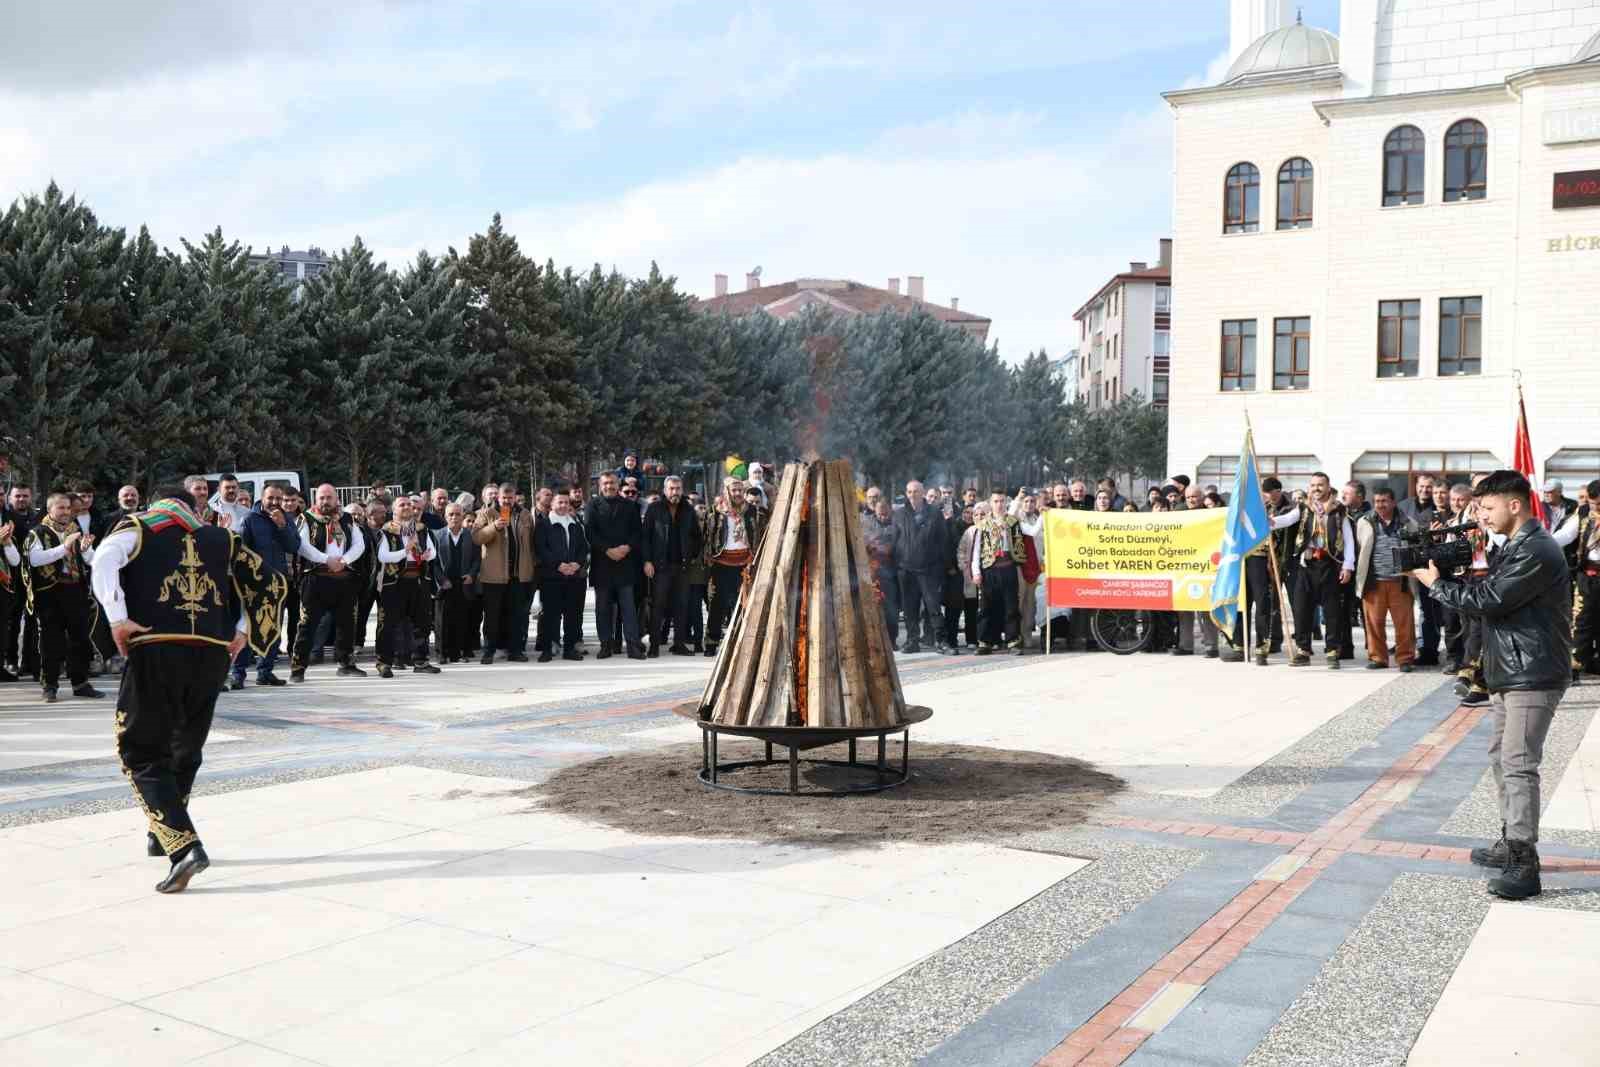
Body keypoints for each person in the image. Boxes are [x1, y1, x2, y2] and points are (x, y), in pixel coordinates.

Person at [93, 486, 286, 893]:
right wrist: (243, 631)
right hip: (212, 654)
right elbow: (269, 582)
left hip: (158, 646)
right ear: (191, 505)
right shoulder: (222, 536)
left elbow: (104, 558)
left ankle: (184, 848)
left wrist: (116, 618)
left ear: (157, 503)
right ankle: (160, 832)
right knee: (185, 744)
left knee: (140, 749)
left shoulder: (140, 526)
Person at [1413, 470, 1571, 900]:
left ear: (1514, 504)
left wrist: (1437, 584)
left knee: (1519, 763)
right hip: (1511, 669)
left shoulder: (1536, 549)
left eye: (1487, 508)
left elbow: (1489, 601)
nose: (1481, 516)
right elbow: (1492, 594)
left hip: (1532, 673)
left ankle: (1524, 862)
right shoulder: (1519, 546)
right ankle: (1511, 840)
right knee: (1502, 757)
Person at [22, 492, 103, 702]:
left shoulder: (75, 530)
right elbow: (35, 559)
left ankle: (80, 683)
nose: (66, 512)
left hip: (75, 590)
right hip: (50, 592)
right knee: (51, 641)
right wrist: (64, 547)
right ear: (50, 510)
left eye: (68, 508)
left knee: (81, 638)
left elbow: (91, 559)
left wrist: (85, 550)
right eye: (61, 508)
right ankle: (49, 686)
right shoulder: (38, 532)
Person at [1270, 471, 1355, 669]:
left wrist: (1348, 566)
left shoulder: (1338, 510)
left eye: (1320, 485)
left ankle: (1333, 651)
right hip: (1306, 565)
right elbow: (1287, 520)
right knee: (1301, 609)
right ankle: (1303, 650)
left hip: (1330, 565)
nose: (1316, 488)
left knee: (1332, 611)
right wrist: (1269, 522)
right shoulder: (1304, 508)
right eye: (1313, 485)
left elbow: (1349, 541)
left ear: (1328, 486)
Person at [289, 484, 367, 681]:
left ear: (336, 499)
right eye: (322, 498)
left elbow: (360, 544)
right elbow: (302, 546)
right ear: (316, 500)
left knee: (347, 623)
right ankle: (298, 668)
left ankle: (346, 663)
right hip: (316, 578)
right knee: (307, 624)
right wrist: (327, 560)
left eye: (329, 497)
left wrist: (344, 561)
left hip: (343, 578)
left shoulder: (348, 519)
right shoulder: (306, 518)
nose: (325, 501)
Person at [230, 483, 299, 688]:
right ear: (262, 498)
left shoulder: (285, 519)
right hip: (254, 584)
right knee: (247, 627)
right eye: (271, 498)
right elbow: (241, 552)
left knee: (273, 628)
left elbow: (294, 546)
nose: (275, 503)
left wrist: (282, 527)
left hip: (278, 583)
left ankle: (265, 672)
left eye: (279, 499)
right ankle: (238, 674)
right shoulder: (249, 519)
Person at [372, 495, 439, 677]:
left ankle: (421, 660)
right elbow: (383, 556)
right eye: (402, 505)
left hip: (418, 579)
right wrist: (405, 551)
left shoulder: (421, 529)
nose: (407, 507)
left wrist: (427, 555)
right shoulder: (386, 530)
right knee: (388, 624)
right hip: (394, 582)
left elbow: (432, 550)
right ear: (394, 510)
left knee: (422, 622)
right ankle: (384, 662)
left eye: (409, 504)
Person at [1354, 487, 1420, 671]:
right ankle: (1378, 658)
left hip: (1401, 581)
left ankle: (1405, 659)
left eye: (1384, 501)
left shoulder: (1409, 523)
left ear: (1393, 502)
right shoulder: (1364, 522)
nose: (1380, 505)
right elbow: (1362, 547)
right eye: (1377, 501)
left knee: (1404, 624)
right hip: (1374, 581)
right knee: (1374, 623)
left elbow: (1416, 549)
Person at [472, 481, 536, 664]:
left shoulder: (524, 514)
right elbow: (476, 538)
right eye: (503, 498)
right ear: (497, 498)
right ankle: (489, 651)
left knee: (516, 615)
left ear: (515, 497)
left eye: (510, 497)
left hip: (518, 574)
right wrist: (494, 527)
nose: (507, 501)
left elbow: (531, 544)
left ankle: (515, 650)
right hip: (494, 576)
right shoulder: (487, 513)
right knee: (492, 616)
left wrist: (531, 569)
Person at [585, 472, 645, 660]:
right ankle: (605, 645)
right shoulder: (592, 506)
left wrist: (626, 547)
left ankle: (633, 647)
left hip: (625, 564)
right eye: (605, 483)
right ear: (600, 485)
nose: (609, 486)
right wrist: (607, 550)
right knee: (602, 608)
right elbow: (590, 532)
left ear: (618, 484)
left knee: (628, 609)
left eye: (612, 483)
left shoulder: (630, 505)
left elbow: (637, 532)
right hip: (602, 564)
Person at [642, 475, 703, 656]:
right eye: (671, 488)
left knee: (681, 606)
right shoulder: (654, 508)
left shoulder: (688, 510)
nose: (675, 492)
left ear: (682, 490)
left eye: (678, 488)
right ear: (665, 490)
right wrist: (647, 561)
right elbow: (645, 537)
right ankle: (654, 645)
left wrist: (691, 555)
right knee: (658, 607)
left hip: (682, 567)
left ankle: (679, 644)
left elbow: (697, 536)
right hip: (660, 567)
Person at [702, 477, 762, 657]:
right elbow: (706, 535)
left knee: (744, 604)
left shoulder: (751, 511)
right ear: (726, 490)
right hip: (721, 563)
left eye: (739, 490)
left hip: (744, 563)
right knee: (716, 605)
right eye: (733, 490)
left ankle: (741, 643)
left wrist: (755, 557)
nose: (737, 494)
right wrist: (708, 558)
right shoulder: (715, 511)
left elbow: (757, 533)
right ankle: (711, 643)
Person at [891, 480, 951, 655]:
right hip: (906, 571)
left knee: (933, 608)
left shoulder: (934, 513)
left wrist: (941, 567)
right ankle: (912, 641)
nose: (912, 495)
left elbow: (943, 541)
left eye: (916, 491)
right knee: (910, 609)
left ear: (923, 493)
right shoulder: (899, 514)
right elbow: (894, 541)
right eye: (909, 492)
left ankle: (941, 641)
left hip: (929, 571)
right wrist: (898, 565)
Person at [1553, 478, 1600, 682]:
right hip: (1587, 575)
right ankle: (1574, 664)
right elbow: (1564, 535)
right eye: (1593, 504)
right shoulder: (1582, 514)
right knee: (1581, 621)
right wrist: (1542, 543)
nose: (1596, 508)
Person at [534, 490, 589, 661]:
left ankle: (570, 649)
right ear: (552, 504)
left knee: (572, 615)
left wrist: (576, 564)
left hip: (573, 577)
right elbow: (541, 549)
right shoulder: (544, 524)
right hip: (551, 577)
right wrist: (559, 565)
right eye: (560, 502)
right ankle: (547, 650)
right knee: (551, 615)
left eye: (566, 503)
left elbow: (583, 548)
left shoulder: (575, 523)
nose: (563, 505)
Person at [971, 492, 1025, 655]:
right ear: (991, 503)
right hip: (989, 569)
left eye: (1002, 501)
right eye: (996, 501)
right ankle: (984, 642)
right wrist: (976, 571)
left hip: (1008, 567)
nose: (999, 504)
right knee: (986, 607)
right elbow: (976, 550)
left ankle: (1013, 642)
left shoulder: (1013, 522)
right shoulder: (983, 524)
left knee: (1011, 606)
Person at [1400, 474, 1442, 667]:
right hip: (1407, 566)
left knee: (1429, 610)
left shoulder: (1439, 508)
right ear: (1416, 486)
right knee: (1407, 609)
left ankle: (1429, 650)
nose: (1425, 490)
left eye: (1429, 487)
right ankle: (1407, 646)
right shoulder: (1403, 506)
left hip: (1430, 565)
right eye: (1422, 486)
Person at [431, 502, 480, 663]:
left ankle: (458, 653)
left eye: (458, 514)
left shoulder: (470, 535)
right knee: (442, 621)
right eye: (451, 514)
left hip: (463, 583)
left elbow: (477, 559)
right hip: (444, 585)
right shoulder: (437, 535)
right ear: (445, 517)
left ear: (462, 516)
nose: (454, 517)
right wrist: (441, 580)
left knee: (462, 619)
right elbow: (434, 562)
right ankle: (441, 654)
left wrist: (472, 574)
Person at [861, 496, 900, 644]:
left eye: (885, 514)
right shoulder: (866, 523)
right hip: (872, 572)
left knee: (891, 608)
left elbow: (897, 544)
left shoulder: (896, 524)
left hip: (891, 573)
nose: (883, 516)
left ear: (890, 511)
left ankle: (892, 639)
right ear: (874, 511)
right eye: (880, 514)